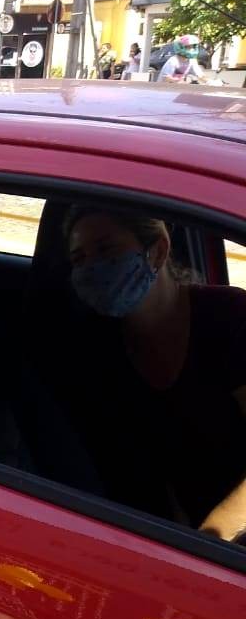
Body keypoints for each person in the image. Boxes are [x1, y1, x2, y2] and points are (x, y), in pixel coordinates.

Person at [60, 206, 246, 541]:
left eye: (106, 249)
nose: (93, 268)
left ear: (157, 250)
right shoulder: (100, 351)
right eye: (79, 259)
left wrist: (211, 539)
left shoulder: (230, 316)